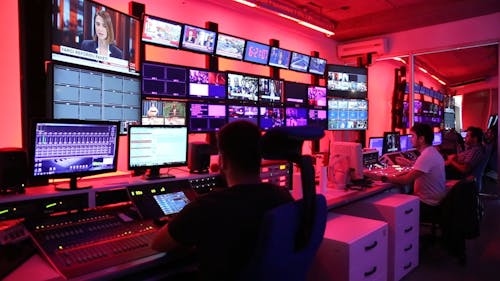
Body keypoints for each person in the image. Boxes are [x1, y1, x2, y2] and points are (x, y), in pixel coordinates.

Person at [151, 120, 294, 281]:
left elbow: (158, 244)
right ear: (260, 159)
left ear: (222, 161)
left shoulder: (206, 206)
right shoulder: (283, 197)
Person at [381, 123, 447, 221]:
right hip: (436, 201)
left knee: (387, 205)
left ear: (421, 139)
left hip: (427, 205)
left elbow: (405, 180)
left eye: (412, 136)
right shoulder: (431, 152)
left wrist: (381, 177)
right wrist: (410, 164)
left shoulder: (426, 156)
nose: (410, 139)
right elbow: (423, 168)